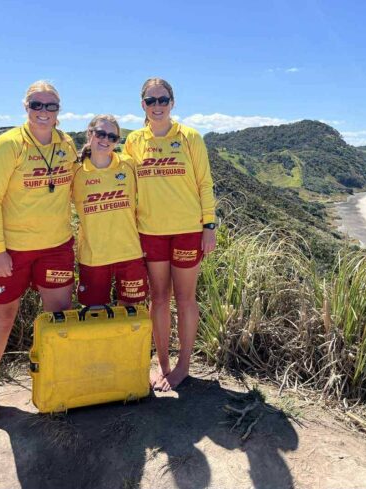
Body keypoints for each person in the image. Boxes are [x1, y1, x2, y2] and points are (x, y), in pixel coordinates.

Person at [0, 80, 77, 419]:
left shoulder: (67, 145)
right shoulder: (9, 145)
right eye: (37, 105)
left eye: (51, 106)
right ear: (26, 107)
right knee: (1, 317)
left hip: (56, 247)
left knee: (57, 317)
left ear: (58, 111)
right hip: (12, 250)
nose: (43, 112)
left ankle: (57, 383)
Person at [124, 78, 217, 391]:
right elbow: (126, 184)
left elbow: (205, 183)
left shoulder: (190, 137)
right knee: (159, 299)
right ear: (143, 106)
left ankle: (184, 366)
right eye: (151, 101)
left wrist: (209, 226)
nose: (157, 106)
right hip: (150, 231)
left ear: (173, 102)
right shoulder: (134, 141)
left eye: (163, 99)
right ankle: (162, 364)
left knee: (186, 298)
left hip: (188, 230)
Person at [72, 115, 148, 307]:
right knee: (94, 316)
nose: (105, 140)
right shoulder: (75, 171)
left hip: (129, 252)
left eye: (112, 137)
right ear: (90, 134)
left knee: (132, 317)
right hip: (93, 255)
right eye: (100, 134)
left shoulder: (129, 164)